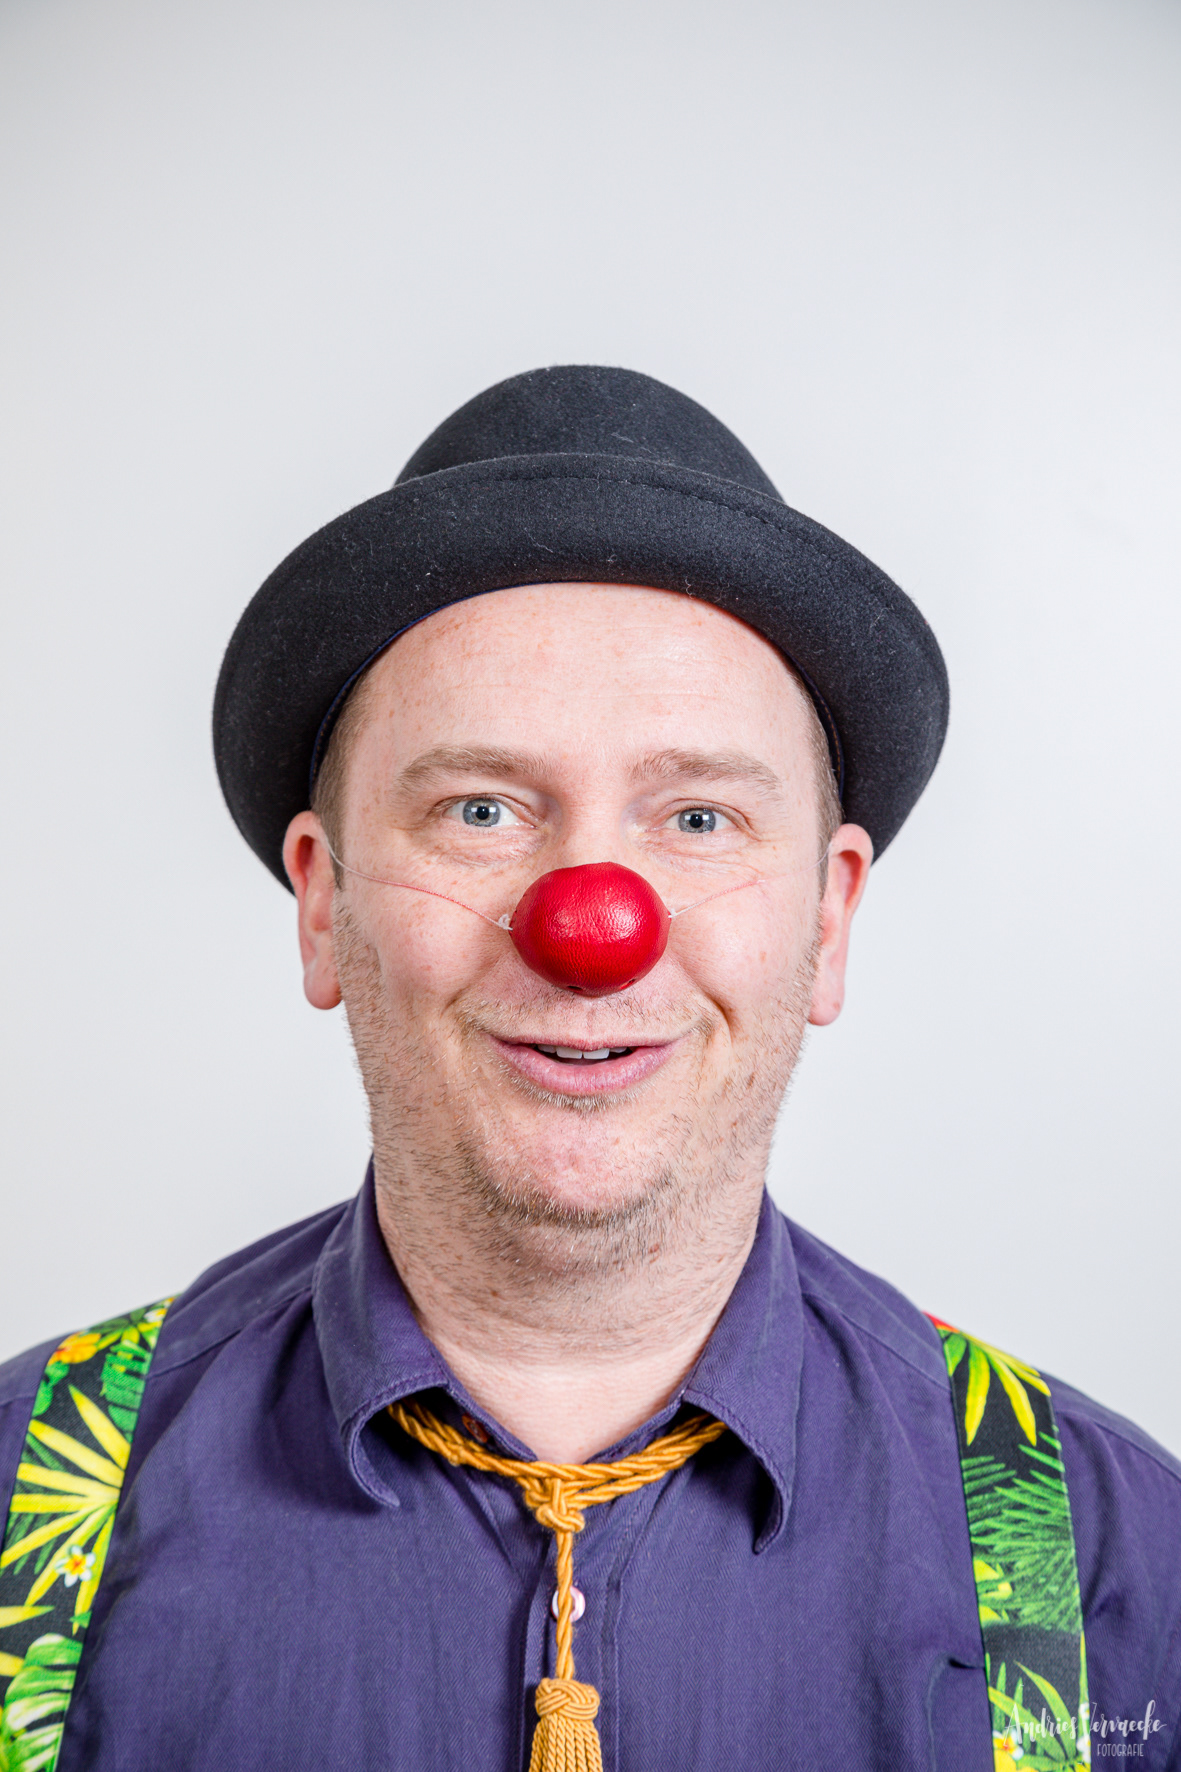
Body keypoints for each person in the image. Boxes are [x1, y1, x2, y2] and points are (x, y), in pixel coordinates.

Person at [0, 366, 1177, 1772]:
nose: (591, 929)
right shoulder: (24, 1506)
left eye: (698, 817)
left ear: (825, 919)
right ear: (322, 903)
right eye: (479, 810)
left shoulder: (1112, 1558)